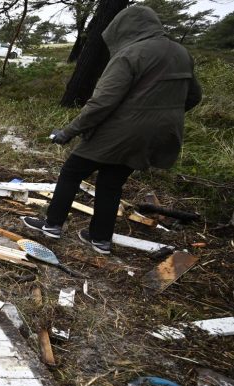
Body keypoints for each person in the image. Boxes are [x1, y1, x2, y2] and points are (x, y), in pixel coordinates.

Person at [21, 5, 202, 254]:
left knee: (72, 172)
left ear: (126, 28)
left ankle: (52, 225)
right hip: (158, 134)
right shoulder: (181, 53)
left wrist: (69, 131)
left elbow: (102, 102)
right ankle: (100, 239)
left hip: (119, 131)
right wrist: (159, 116)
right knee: (111, 183)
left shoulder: (131, 53)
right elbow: (193, 97)